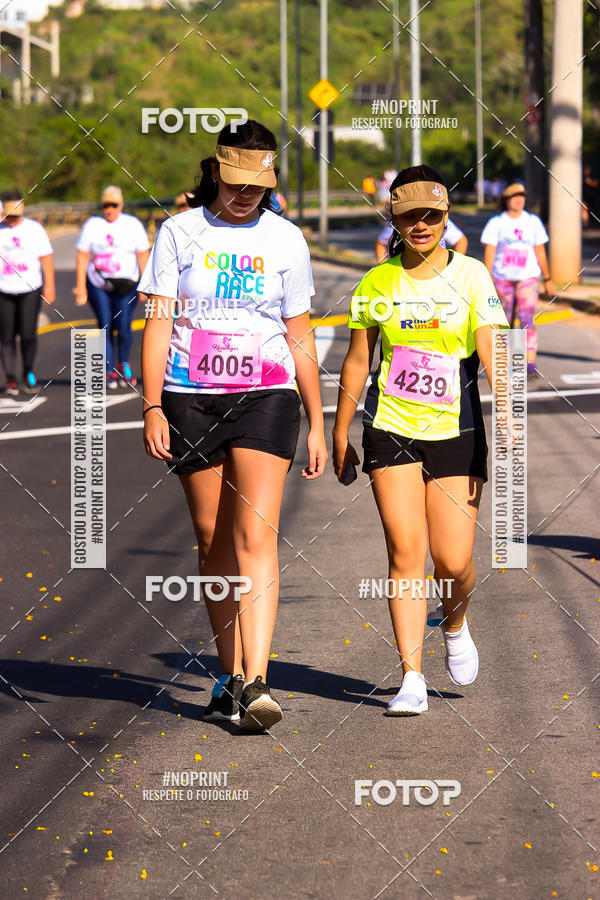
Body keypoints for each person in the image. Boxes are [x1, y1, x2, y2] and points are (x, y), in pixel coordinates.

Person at [139, 120, 327, 732]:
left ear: (270, 180)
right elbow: (160, 323)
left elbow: (299, 333)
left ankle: (258, 678)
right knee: (214, 538)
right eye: (235, 181)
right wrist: (151, 405)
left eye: (257, 183)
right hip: (190, 395)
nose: (244, 193)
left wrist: (318, 420)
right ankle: (229, 675)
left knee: (256, 534)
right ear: (215, 171)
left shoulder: (287, 239)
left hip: (267, 394)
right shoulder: (179, 232)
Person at [333, 165, 509, 716]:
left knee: (453, 560)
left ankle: (454, 622)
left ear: (446, 216)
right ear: (395, 217)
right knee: (406, 551)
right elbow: (359, 359)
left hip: (457, 428)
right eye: (410, 215)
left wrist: (509, 410)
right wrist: (339, 430)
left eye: (432, 214)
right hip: (391, 428)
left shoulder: (474, 276)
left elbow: (493, 348)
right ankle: (411, 675)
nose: (422, 224)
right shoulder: (376, 283)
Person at [74, 186, 150, 388]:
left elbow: (143, 254)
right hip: (99, 283)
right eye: (105, 205)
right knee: (105, 325)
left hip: (128, 284)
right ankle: (108, 370)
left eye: (113, 205)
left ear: (121, 205)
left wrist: (146, 284)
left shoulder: (132, 224)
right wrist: (81, 286)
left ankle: (123, 363)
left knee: (124, 326)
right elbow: (82, 256)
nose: (109, 209)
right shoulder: (93, 225)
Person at [481, 182, 554, 378]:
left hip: (528, 278)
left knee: (526, 319)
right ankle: (504, 363)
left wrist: (547, 278)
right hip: (502, 278)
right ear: (506, 200)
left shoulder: (533, 222)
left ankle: (528, 364)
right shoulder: (496, 223)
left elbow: (540, 250)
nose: (519, 199)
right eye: (515, 196)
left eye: (522, 195)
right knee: (503, 320)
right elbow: (490, 251)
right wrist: (486, 278)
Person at [0, 190, 55, 395]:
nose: (12, 220)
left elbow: (46, 258)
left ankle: (28, 371)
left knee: (28, 333)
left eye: (16, 215)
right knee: (6, 335)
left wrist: (50, 286)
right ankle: (10, 378)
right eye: (9, 215)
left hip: (30, 288)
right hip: (3, 289)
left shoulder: (34, 229)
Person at [375, 215, 468, 262]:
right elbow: (381, 243)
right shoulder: (400, 220)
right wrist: (384, 266)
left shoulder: (438, 219)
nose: (420, 227)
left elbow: (461, 241)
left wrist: (453, 267)